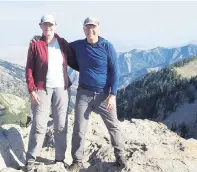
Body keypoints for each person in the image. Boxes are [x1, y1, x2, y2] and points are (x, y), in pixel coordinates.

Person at [68, 16, 127, 171]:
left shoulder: (107, 46)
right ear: (83, 30)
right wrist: (39, 40)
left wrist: (113, 95)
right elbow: (61, 46)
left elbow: (115, 72)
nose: (90, 30)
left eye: (93, 27)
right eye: (87, 27)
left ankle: (121, 158)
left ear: (98, 28)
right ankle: (77, 161)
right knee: (79, 128)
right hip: (84, 93)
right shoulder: (78, 45)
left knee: (113, 127)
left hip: (104, 95)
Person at [25, 14, 78, 171]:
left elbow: (77, 56)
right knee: (39, 125)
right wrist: (32, 89)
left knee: (61, 125)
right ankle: (31, 159)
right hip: (41, 89)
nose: (48, 28)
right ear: (41, 26)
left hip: (61, 89)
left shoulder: (62, 43)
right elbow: (29, 69)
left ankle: (60, 159)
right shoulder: (35, 44)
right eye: (45, 25)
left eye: (51, 25)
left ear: (55, 26)